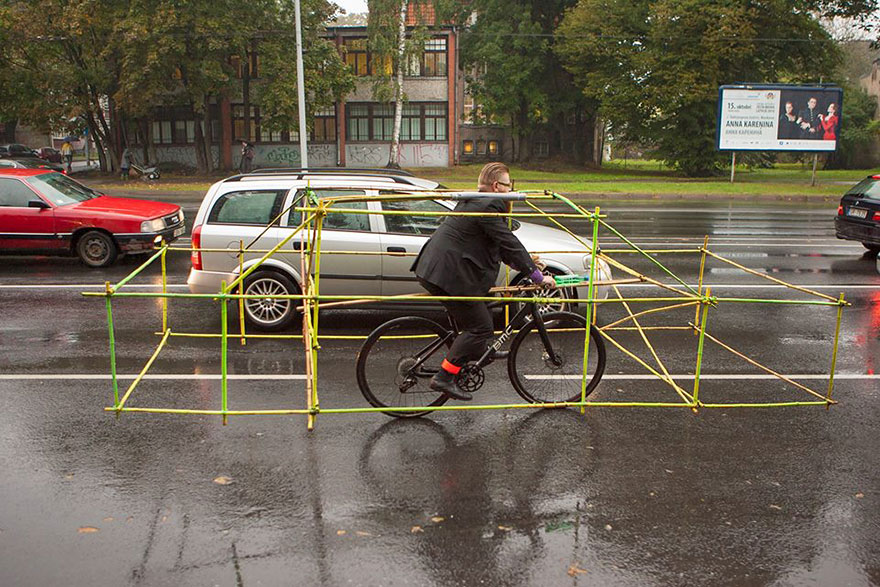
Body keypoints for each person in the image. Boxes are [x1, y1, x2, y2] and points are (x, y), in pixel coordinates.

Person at [410, 162, 556, 400]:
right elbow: (509, 242)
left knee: (480, 314)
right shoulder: (489, 205)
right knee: (480, 328)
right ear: (497, 186)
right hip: (450, 274)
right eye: (510, 186)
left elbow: (499, 244)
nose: (512, 192)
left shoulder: (477, 201)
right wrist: (538, 276)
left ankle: (473, 355)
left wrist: (527, 264)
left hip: (443, 270)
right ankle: (444, 377)